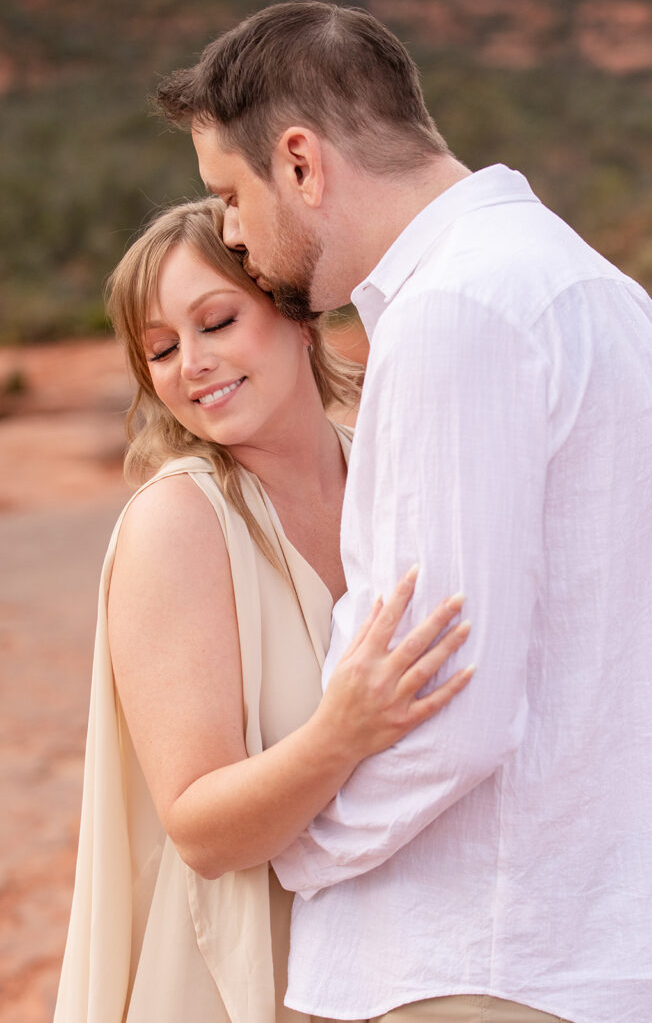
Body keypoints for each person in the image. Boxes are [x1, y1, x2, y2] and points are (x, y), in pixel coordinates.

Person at [154, 3, 652, 1023]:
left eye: (228, 191)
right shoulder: (599, 291)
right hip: (595, 951)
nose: (226, 228)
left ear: (300, 163)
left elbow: (443, 710)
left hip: (465, 959)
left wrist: (294, 850)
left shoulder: (454, 314)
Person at [53, 196, 475, 1023]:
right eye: (163, 349)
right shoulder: (179, 521)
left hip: (392, 967)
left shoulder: (387, 477)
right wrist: (341, 731)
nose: (193, 363)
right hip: (226, 978)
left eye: (217, 322)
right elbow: (202, 833)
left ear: (299, 316)